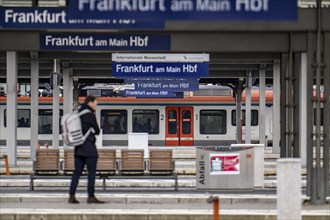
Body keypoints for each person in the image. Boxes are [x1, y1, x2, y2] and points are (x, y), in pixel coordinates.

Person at [68, 96, 104, 204]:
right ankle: (91, 196)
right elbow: (97, 131)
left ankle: (72, 195)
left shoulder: (77, 113)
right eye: (95, 104)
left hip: (78, 148)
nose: (95, 107)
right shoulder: (89, 114)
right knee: (91, 173)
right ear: (90, 103)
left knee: (77, 173)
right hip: (89, 149)